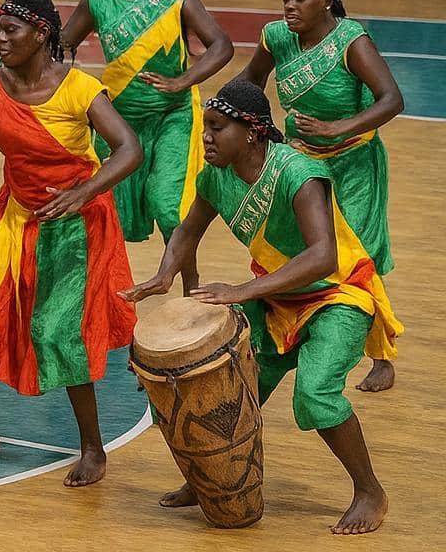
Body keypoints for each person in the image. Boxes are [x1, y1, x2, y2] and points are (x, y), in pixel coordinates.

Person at [122, 79, 399, 536]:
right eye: (205, 127)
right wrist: (165, 275)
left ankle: (370, 491)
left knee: (314, 396)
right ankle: (207, 478)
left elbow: (322, 256)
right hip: (276, 298)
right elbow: (187, 231)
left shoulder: (298, 174)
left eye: (217, 127)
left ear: (251, 131)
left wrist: (243, 291)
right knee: (213, 384)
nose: (206, 137)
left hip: (337, 295)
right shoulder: (215, 176)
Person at [0, 0, 141, 487]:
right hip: (15, 214)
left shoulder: (79, 88)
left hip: (75, 223)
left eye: (10, 31)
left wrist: (83, 192)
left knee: (57, 333)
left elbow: (129, 148)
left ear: (41, 34)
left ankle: (93, 447)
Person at [237, 0, 404, 392]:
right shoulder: (276, 38)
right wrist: (238, 118)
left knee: (357, 257)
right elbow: (251, 82)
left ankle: (381, 354)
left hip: (354, 163)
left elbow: (391, 99)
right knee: (302, 250)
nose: (289, 7)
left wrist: (337, 128)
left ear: (326, 0)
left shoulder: (352, 41)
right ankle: (298, 333)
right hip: (302, 164)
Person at [60, 0, 232, 292]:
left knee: (168, 205)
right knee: (104, 209)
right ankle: (100, 292)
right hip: (119, 120)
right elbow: (63, 44)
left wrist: (182, 81)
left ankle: (190, 286)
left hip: (173, 115)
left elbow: (222, 45)